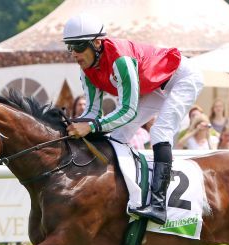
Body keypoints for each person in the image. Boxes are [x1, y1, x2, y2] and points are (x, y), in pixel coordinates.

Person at [62, 13, 204, 225]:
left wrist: (90, 126)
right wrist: (77, 124)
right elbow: (92, 111)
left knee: (159, 132)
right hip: (154, 86)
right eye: (70, 47)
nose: (74, 54)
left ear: (97, 43)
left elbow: (127, 110)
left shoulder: (121, 60)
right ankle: (125, 195)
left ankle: (158, 204)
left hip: (182, 77)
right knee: (119, 135)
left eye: (79, 46)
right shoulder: (85, 69)